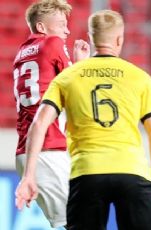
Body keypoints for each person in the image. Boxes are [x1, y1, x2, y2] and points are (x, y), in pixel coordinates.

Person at [15, 9, 151, 229]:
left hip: (87, 173)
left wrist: (28, 176)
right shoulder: (140, 77)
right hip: (131, 171)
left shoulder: (67, 78)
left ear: (91, 38)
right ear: (119, 39)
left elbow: (39, 124)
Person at [13, 0, 89, 228]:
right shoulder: (52, 43)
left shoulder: (20, 54)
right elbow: (77, 89)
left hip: (31, 150)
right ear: (42, 27)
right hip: (48, 148)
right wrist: (80, 64)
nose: (66, 30)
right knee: (79, 221)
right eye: (61, 24)